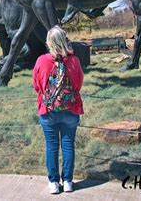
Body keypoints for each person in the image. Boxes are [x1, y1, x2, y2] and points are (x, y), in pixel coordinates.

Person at [32, 25, 84, 194]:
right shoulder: (74, 61)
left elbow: (36, 85)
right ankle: (68, 181)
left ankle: (54, 183)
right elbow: (78, 85)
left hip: (48, 111)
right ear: (64, 40)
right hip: (70, 109)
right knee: (68, 146)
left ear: (48, 42)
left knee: (52, 146)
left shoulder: (41, 61)